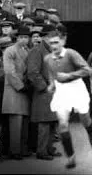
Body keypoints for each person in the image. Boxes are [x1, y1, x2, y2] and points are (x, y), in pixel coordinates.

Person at [44, 31, 92, 169]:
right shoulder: (47, 59)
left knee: (84, 118)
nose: (54, 46)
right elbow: (51, 74)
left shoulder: (71, 54)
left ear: (62, 42)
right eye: (51, 43)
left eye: (56, 42)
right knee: (62, 124)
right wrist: (51, 84)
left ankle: (90, 132)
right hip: (62, 91)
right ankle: (71, 157)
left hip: (76, 87)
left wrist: (69, 76)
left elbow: (87, 70)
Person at [27, 24, 61, 160]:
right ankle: (42, 151)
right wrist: (44, 87)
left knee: (53, 121)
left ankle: (49, 148)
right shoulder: (37, 51)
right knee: (44, 123)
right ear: (45, 38)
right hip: (44, 92)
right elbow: (32, 72)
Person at [2, 25, 32, 160]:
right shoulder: (10, 50)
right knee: (16, 121)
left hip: (24, 89)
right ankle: (14, 151)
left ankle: (23, 149)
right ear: (16, 38)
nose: (23, 40)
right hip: (14, 89)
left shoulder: (28, 51)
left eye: (26, 37)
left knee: (24, 121)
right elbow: (9, 71)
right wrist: (21, 86)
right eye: (21, 37)